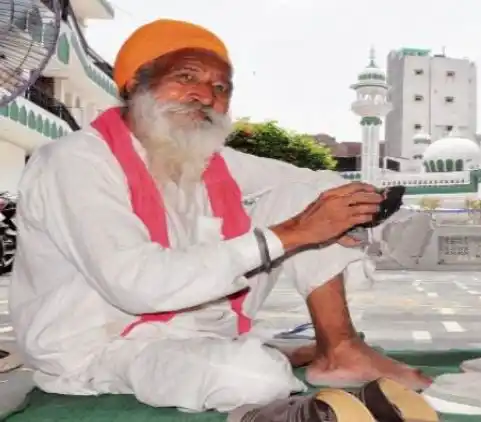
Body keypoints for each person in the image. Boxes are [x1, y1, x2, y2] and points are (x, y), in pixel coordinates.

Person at [9, 19, 429, 413]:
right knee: (253, 376)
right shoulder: (73, 161)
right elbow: (135, 285)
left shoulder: (208, 159)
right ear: (136, 83)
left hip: (202, 328)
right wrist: (295, 233)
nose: (206, 96)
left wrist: (365, 215)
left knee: (312, 195)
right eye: (186, 77)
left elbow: (319, 185)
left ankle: (340, 350)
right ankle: (267, 353)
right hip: (102, 346)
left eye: (221, 87)